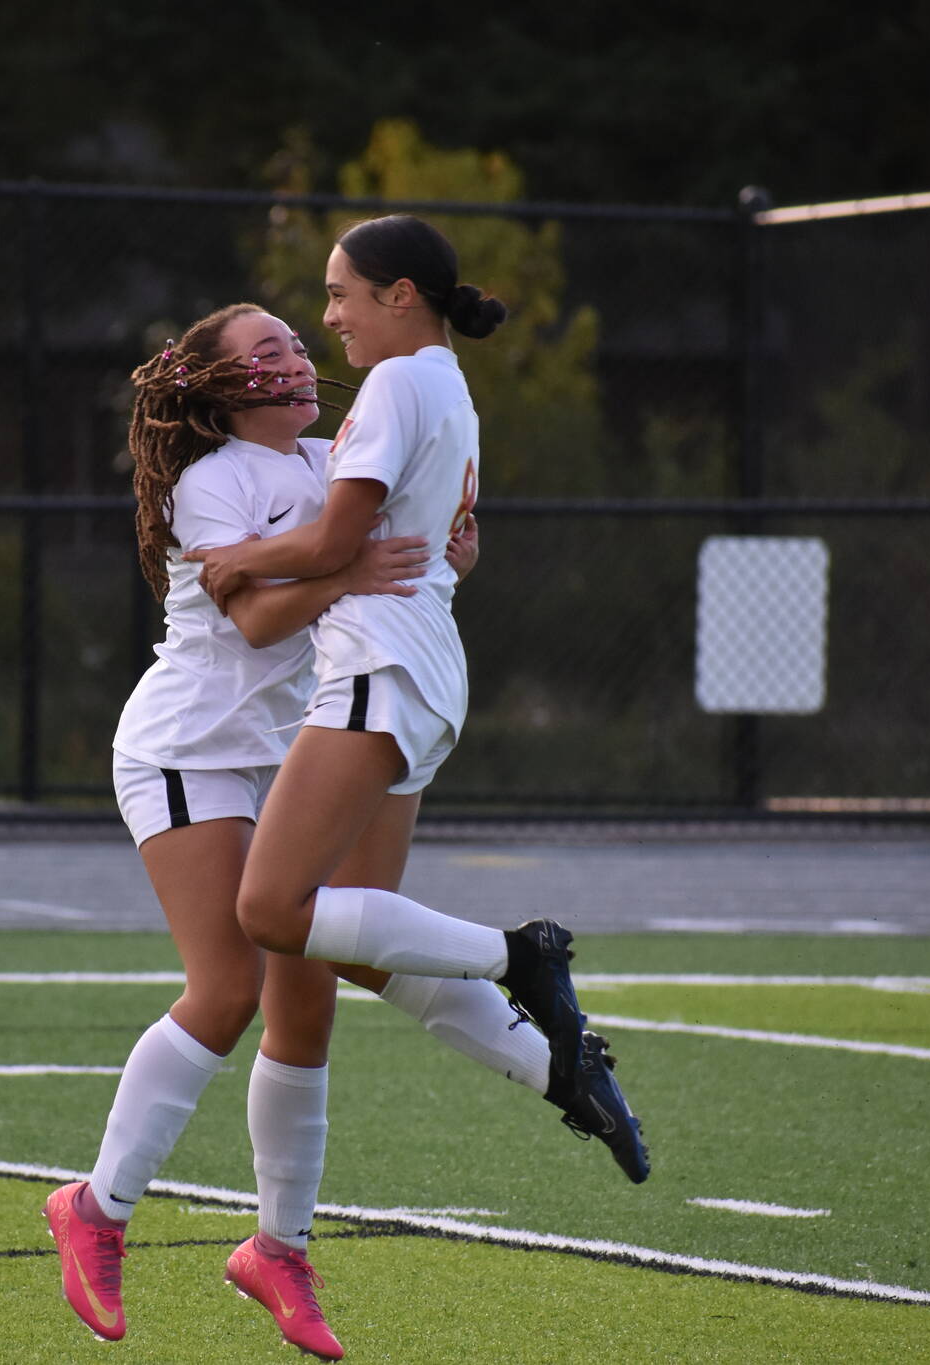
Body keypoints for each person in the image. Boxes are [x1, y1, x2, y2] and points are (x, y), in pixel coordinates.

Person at [45, 302, 553, 1362]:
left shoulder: (336, 454)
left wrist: (451, 550)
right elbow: (258, 616)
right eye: (262, 349)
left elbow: (398, 565)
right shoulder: (213, 477)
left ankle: (278, 1250)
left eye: (291, 340)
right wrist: (346, 571)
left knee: (304, 1008)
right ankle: (94, 1209)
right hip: (189, 749)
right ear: (221, 386)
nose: (291, 356)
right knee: (227, 991)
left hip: (286, 748)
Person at [182, 215, 647, 1184]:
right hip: (422, 670)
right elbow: (425, 540)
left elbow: (325, 547)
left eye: (340, 294)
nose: (328, 318)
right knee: (354, 929)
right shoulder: (442, 382)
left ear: (400, 296)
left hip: (378, 667)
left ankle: (517, 958)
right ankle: (558, 1069)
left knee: (269, 909)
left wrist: (229, 558)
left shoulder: (397, 380)